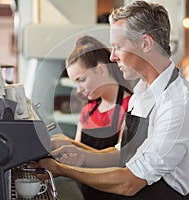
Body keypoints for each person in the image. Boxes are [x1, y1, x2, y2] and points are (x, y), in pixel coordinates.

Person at [30, 1, 189, 199]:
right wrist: (77, 150)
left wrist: (62, 169)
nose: (112, 57)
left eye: (118, 47)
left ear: (146, 43)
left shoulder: (179, 105)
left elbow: (129, 182)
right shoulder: (142, 91)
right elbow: (123, 154)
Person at [51, 35, 132, 199]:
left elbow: (121, 162)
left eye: (82, 80)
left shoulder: (130, 106)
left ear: (101, 69)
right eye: (76, 83)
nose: (79, 90)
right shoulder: (87, 111)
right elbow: (78, 155)